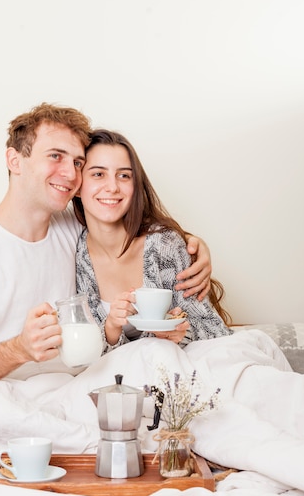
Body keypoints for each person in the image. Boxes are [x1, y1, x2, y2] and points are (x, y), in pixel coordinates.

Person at [0, 102, 213, 382]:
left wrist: (189, 243)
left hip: (76, 387)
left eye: (78, 162)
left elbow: (125, 221)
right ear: (14, 160)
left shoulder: (72, 227)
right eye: (55, 156)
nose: (71, 174)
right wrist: (19, 349)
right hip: (6, 393)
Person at [74, 129, 233, 354]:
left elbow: (214, 329)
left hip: (178, 375)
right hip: (119, 382)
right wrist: (111, 331)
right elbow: (82, 350)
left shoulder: (163, 245)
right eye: (98, 174)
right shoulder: (72, 252)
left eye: (124, 175)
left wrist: (181, 334)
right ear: (78, 184)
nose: (112, 187)